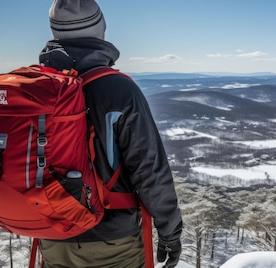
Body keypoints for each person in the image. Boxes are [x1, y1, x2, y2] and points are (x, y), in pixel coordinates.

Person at [37, 1, 183, 267]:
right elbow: (149, 170)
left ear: (55, 33)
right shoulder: (118, 90)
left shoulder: (38, 87)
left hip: (53, 234)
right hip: (112, 240)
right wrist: (170, 232)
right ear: (101, 31)